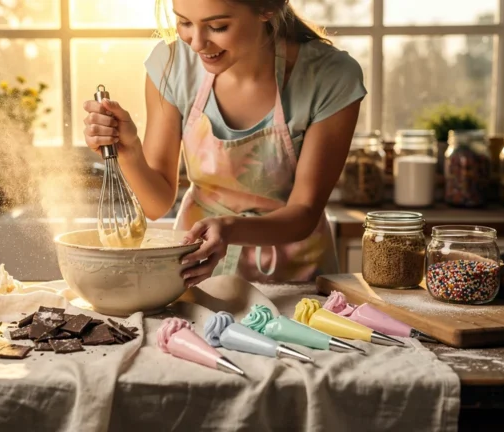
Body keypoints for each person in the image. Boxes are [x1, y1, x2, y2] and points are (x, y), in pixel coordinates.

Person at [82, 0, 366, 287]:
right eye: (184, 22)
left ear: (266, 9)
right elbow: (156, 205)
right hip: (196, 267)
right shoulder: (172, 65)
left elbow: (304, 212)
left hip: (295, 278)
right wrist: (129, 150)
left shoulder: (330, 76)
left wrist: (228, 229)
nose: (196, 43)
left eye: (218, 26)